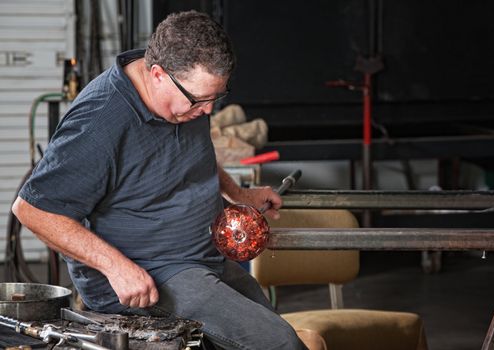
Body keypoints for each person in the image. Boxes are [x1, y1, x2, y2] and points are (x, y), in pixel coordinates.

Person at [12, 11, 306, 350]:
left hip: (205, 258)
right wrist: (117, 267)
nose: (208, 110)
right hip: (153, 275)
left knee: (273, 327)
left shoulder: (185, 93)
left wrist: (238, 193)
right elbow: (33, 210)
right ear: (157, 75)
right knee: (280, 343)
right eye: (200, 100)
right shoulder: (100, 122)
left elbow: (193, 153)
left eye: (216, 98)